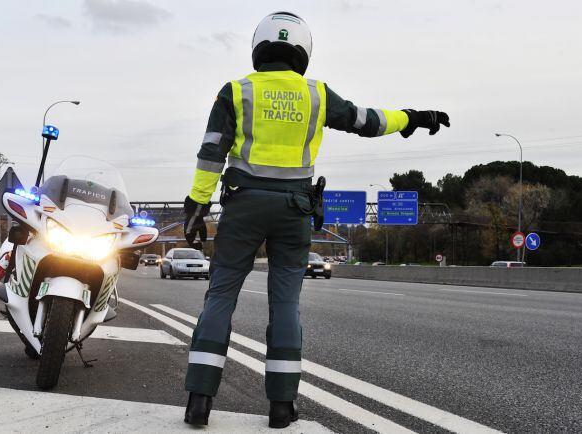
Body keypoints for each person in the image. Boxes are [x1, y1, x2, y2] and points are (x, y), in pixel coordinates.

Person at [181, 11, 450, 428]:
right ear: (302, 51)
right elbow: (367, 120)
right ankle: (282, 407)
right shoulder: (317, 94)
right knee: (285, 305)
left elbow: (212, 151)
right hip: (294, 212)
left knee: (220, 298)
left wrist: (196, 207)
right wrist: (413, 117)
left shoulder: (236, 91)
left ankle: (199, 400)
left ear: (259, 48)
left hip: (243, 207)